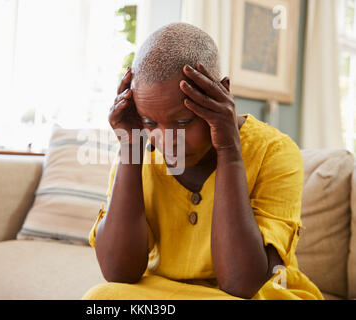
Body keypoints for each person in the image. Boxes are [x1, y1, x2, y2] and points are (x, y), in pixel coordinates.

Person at [82, 22, 323, 300]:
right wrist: (130, 147)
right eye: (150, 122)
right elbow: (118, 272)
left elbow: (242, 284)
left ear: (222, 94)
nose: (166, 139)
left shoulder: (275, 152)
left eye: (183, 122)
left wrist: (229, 151)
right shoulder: (140, 149)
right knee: (101, 298)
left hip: (263, 295)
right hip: (170, 293)